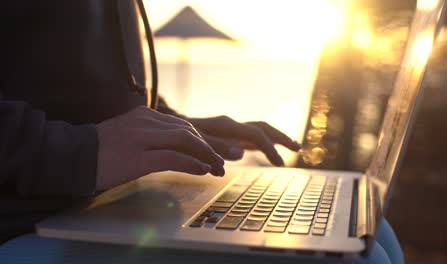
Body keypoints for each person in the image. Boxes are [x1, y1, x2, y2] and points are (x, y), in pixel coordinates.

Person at [0, 1, 404, 263]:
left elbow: (76, 82)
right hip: (24, 221)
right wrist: (77, 151)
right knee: (358, 259)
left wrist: (176, 124)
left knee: (366, 225)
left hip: (101, 199)